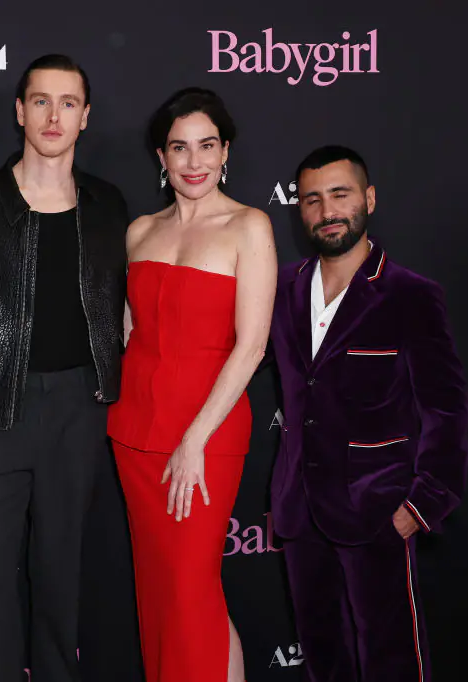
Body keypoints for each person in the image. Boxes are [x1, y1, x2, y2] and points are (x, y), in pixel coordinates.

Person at [0, 54, 141, 682]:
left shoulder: (109, 205)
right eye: (41, 101)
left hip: (79, 410)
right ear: (20, 111)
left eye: (68, 102)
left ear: (85, 117)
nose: (54, 115)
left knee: (60, 579)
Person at [268, 145, 468, 682]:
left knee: (392, 660)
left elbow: (446, 407)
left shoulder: (410, 295)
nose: (327, 210)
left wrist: (419, 507)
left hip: (378, 510)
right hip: (300, 510)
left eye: (340, 194)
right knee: (323, 657)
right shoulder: (280, 287)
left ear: (369, 199)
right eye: (312, 199)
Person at [106, 87, 276, 682]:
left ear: (225, 151)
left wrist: (194, 440)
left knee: (188, 585)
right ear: (161, 157)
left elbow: (251, 345)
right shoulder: (139, 232)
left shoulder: (248, 226)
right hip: (134, 432)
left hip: (205, 436)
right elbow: (129, 334)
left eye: (207, 146)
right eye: (180, 148)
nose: (194, 161)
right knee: (162, 592)